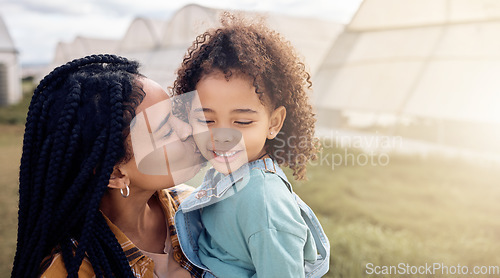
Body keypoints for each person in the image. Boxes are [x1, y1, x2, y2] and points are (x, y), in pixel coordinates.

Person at [11, 54, 205, 278]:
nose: (187, 129)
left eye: (176, 114)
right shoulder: (70, 271)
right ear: (115, 174)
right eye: (167, 130)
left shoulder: (197, 207)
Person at [171, 14, 330, 278]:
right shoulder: (232, 173)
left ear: (274, 122)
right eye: (206, 119)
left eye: (242, 122)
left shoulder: (265, 204)